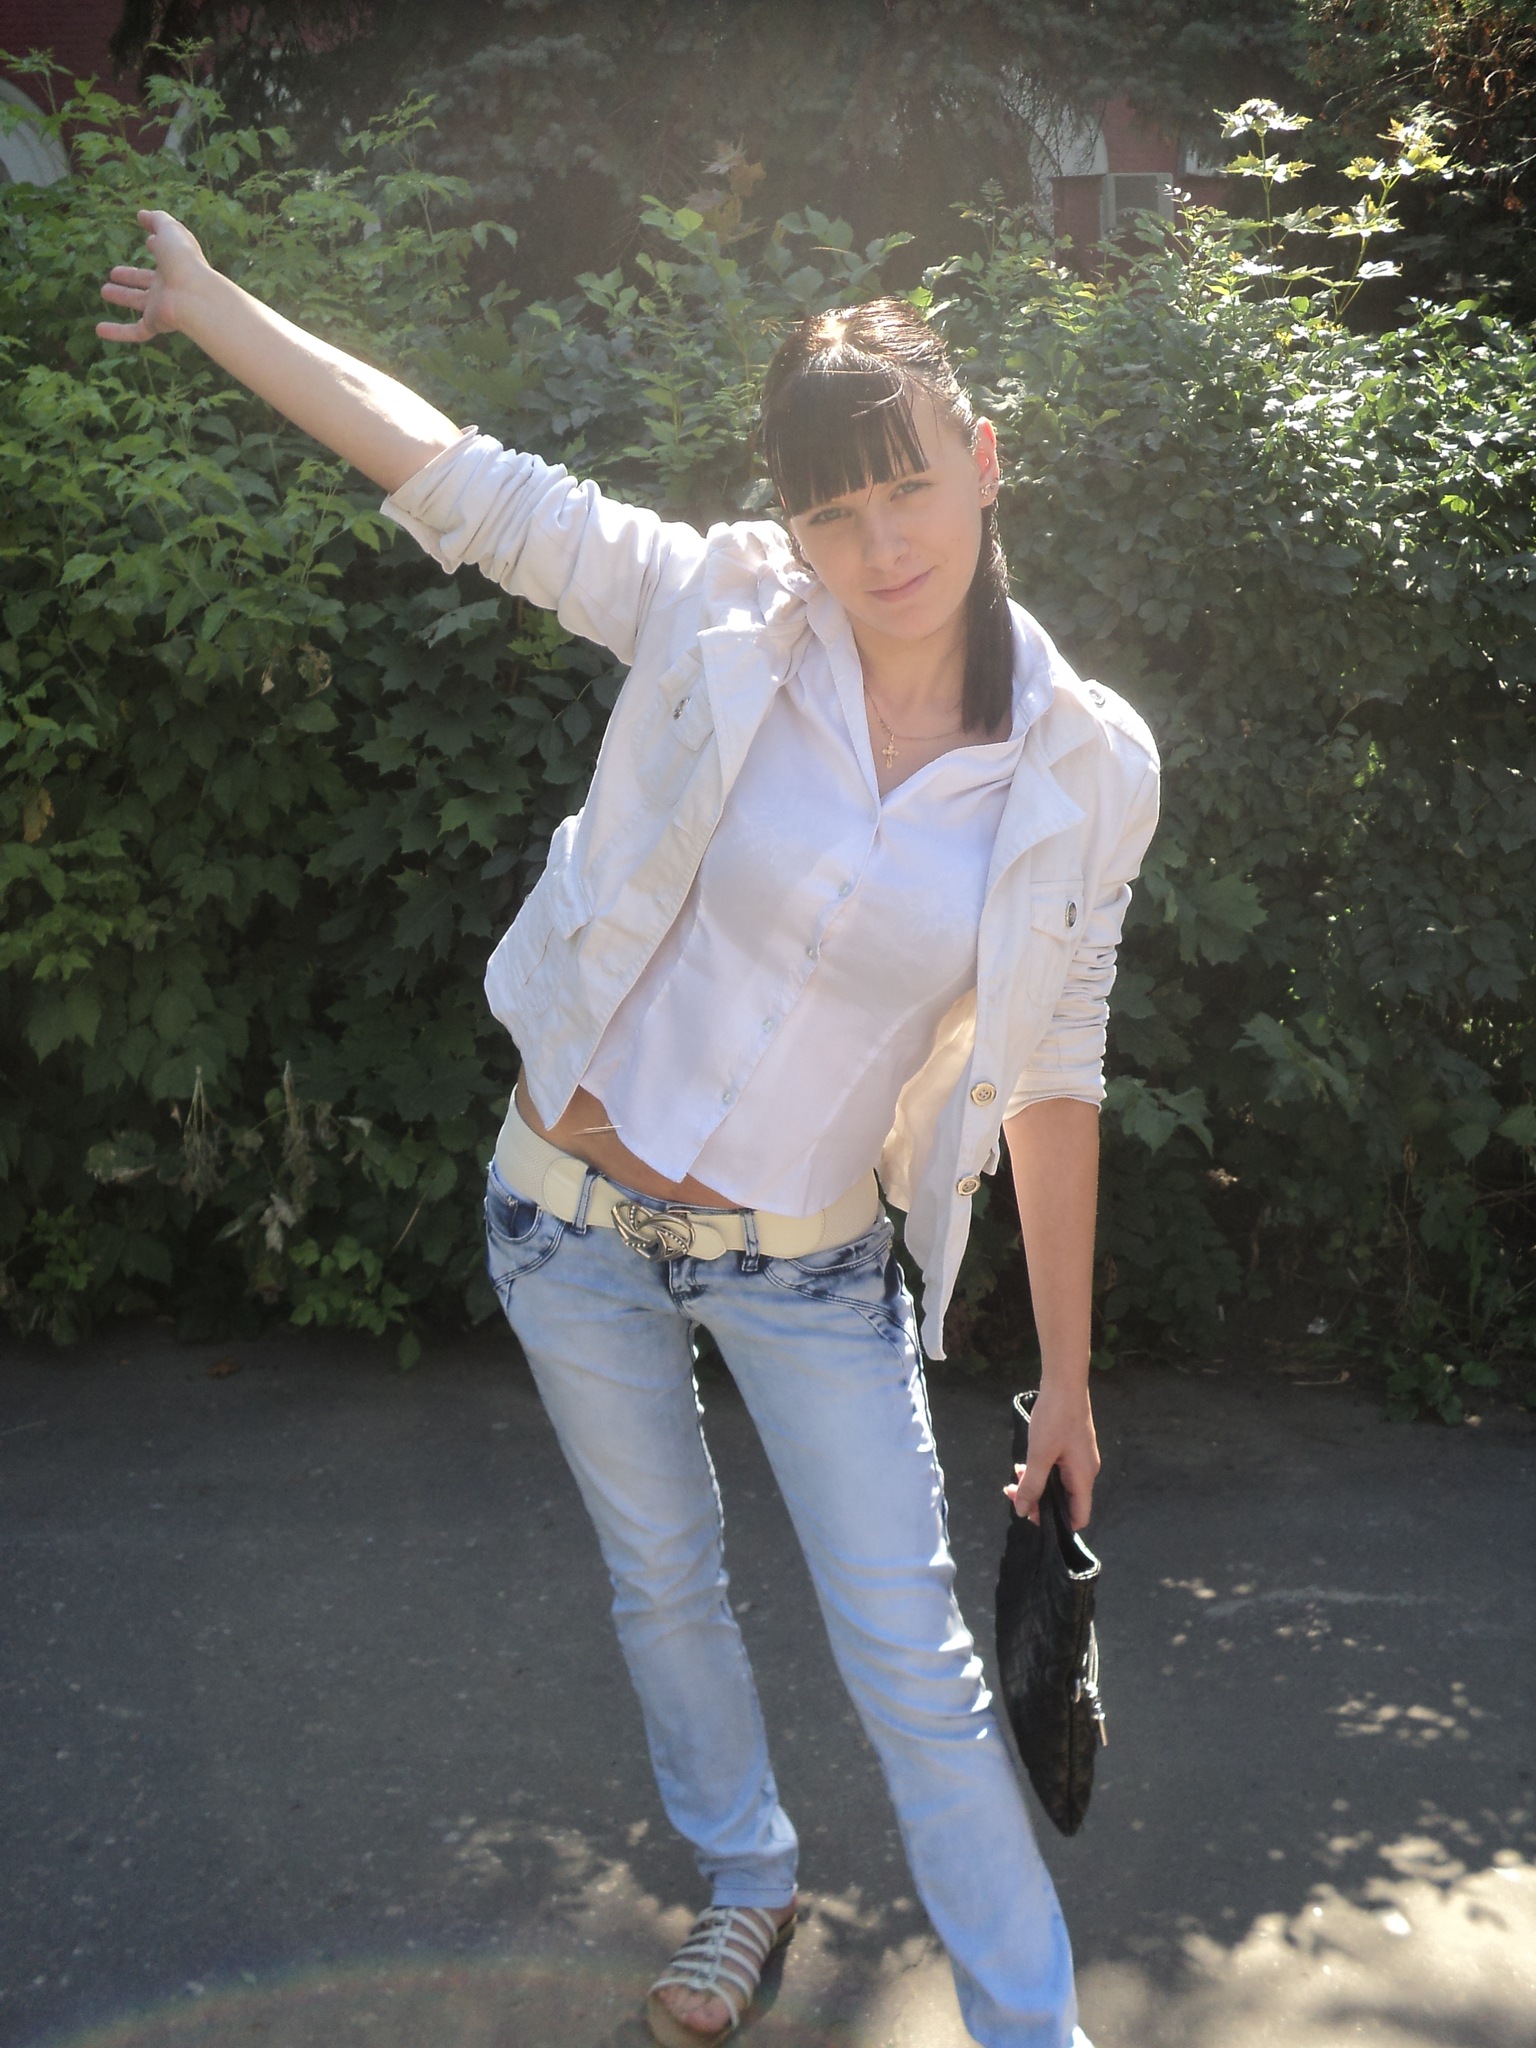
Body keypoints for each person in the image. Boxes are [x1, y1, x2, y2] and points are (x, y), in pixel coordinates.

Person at [98, 207, 1159, 2048]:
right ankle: (747, 1884)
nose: (879, 546)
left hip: (809, 1262)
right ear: (792, 522)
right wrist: (210, 309)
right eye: (834, 512)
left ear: (985, 461)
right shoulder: (721, 610)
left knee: (916, 1666)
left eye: (910, 487)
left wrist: (1066, 1380)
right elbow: (467, 481)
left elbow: (1056, 1070)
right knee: (664, 1586)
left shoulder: (1085, 763)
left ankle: (1030, 2028)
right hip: (565, 1215)